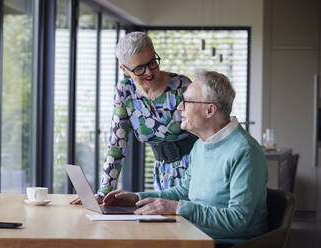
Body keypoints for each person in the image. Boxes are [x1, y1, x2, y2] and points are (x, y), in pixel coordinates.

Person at [103, 70, 268, 245]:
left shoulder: (245, 151)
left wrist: (178, 208)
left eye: (187, 101)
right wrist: (136, 198)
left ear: (209, 110)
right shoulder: (200, 145)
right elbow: (182, 193)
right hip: (192, 235)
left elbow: (238, 220)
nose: (179, 107)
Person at [71, 32, 197, 204]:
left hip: (194, 171)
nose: (149, 72)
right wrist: (102, 194)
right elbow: (117, 144)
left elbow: (207, 132)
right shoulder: (125, 92)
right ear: (124, 69)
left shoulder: (181, 86)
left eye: (152, 62)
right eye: (139, 68)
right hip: (162, 174)